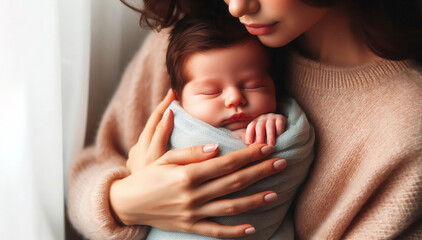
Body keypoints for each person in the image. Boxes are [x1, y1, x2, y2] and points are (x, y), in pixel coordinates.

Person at [67, 0, 422, 239]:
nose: (237, 6)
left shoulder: (403, 125)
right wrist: (121, 202)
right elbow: (87, 173)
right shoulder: (198, 44)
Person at [145, 15, 314, 239]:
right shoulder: (174, 127)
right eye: (211, 91)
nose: (235, 99)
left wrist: (276, 125)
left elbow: (293, 150)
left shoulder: (281, 121)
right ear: (179, 99)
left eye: (254, 85)